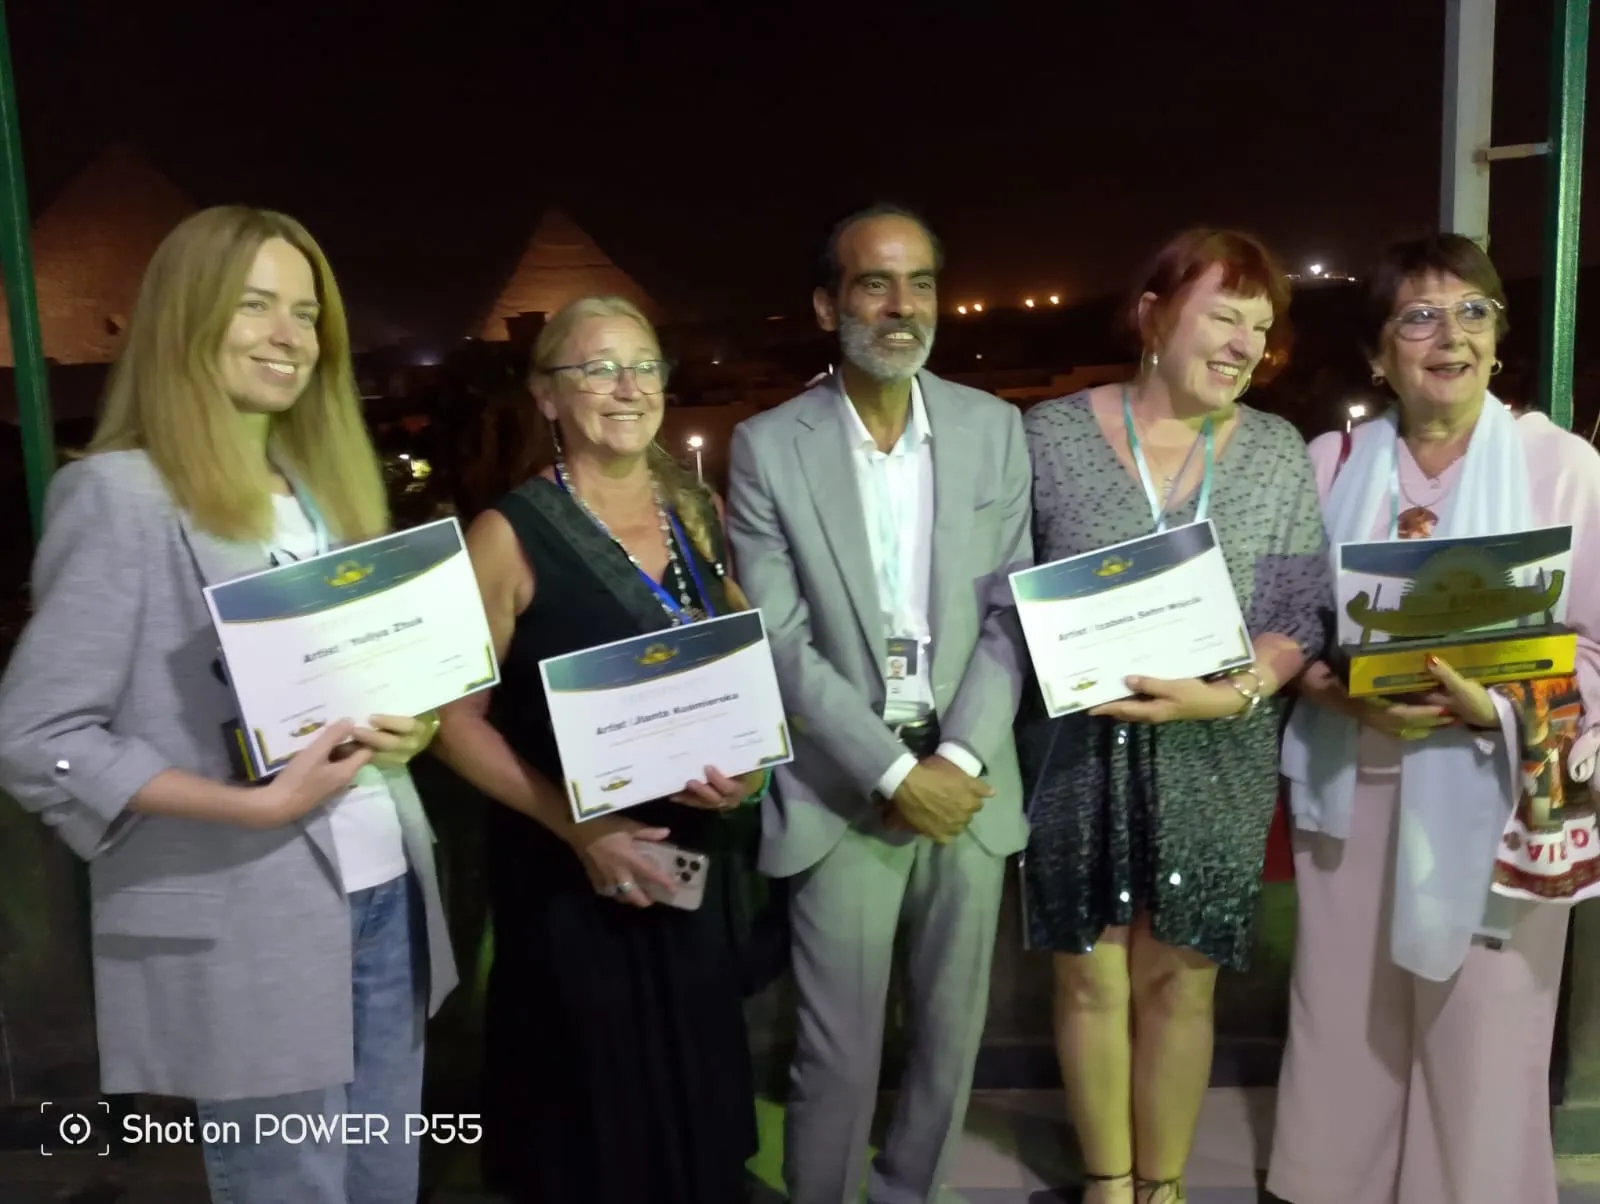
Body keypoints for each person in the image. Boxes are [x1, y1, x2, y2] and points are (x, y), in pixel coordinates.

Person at [0, 206, 457, 1204]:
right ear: (186, 318)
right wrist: (255, 805)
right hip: (252, 919)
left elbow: (352, 684)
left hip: (386, 893)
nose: (289, 336)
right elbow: (36, 739)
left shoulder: (324, 491)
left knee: (384, 1183)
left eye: (307, 313)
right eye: (255, 306)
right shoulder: (120, 495)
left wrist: (407, 727)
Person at [1270, 234, 1600, 1204]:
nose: (1449, 335)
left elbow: (1594, 647)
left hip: (1497, 799)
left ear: (1499, 338)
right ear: (1379, 352)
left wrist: (1491, 705)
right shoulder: (1328, 463)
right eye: (1417, 316)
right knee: (1345, 1027)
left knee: (1484, 1037)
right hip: (1354, 785)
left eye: (1472, 312)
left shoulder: (1562, 467)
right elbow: (1287, 624)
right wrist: (1328, 687)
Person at [726, 203, 1033, 1204]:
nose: (902, 306)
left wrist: (958, 760)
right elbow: (778, 639)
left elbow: (1012, 615)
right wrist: (897, 771)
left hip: (971, 784)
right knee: (836, 1055)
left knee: (949, 1044)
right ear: (828, 305)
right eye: (874, 283)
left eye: (921, 284)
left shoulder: (993, 429)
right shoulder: (767, 447)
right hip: (843, 785)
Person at [1015, 229, 1329, 1204]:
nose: (1244, 345)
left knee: (1183, 979)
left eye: (1260, 328)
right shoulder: (1048, 437)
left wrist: (1231, 692)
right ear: (1152, 316)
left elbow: (1299, 611)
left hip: (1217, 744)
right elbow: (1000, 588)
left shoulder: (1274, 450)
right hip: (1078, 745)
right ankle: (1108, 1184)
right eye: (1223, 316)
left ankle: (1164, 1185)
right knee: (1087, 974)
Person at [431, 295, 765, 1204]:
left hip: (690, 858)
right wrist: (583, 831)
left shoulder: (697, 511)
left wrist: (745, 771)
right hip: (569, 871)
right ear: (546, 396)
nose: (629, 387)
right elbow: (452, 722)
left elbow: (731, 665)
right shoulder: (507, 534)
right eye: (598, 369)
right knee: (593, 1117)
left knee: (695, 1098)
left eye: (645, 366)